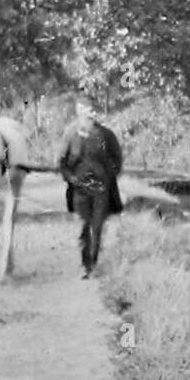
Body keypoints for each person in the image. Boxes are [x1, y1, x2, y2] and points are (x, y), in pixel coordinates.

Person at [57, 95, 123, 278]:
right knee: (83, 226)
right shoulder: (70, 134)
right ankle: (85, 264)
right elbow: (61, 163)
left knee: (97, 227)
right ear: (79, 110)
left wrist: (108, 178)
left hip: (101, 190)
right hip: (80, 191)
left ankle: (93, 264)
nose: (93, 113)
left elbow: (117, 160)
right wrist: (71, 179)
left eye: (94, 110)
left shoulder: (106, 135)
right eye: (88, 109)